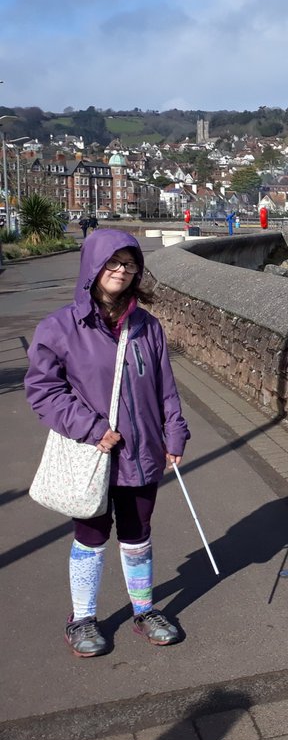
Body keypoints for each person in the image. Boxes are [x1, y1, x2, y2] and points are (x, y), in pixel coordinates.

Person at [25, 229, 190, 656]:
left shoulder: (147, 327)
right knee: (91, 536)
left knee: (138, 534)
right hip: (92, 454)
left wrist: (174, 432)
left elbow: (164, 387)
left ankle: (144, 610)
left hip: (143, 451)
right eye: (113, 262)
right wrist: (91, 427)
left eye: (130, 264)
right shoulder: (60, 327)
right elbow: (44, 390)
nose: (121, 271)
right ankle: (82, 619)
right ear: (94, 265)